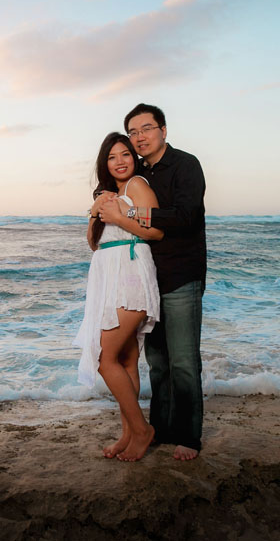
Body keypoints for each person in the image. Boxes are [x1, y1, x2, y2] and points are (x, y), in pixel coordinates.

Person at [98, 104, 206, 461]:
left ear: (163, 130)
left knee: (184, 362)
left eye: (147, 128)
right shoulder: (138, 174)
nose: (140, 136)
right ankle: (159, 429)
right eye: (134, 131)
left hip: (181, 275)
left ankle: (189, 437)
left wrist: (127, 212)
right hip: (148, 277)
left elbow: (185, 216)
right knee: (157, 362)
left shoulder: (185, 165)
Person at [73, 132, 165, 462]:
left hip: (130, 274)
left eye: (125, 154)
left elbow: (156, 231)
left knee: (104, 358)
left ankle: (142, 429)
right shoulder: (108, 194)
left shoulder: (138, 185)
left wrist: (117, 216)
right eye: (112, 157)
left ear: (133, 158)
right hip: (108, 276)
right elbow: (93, 243)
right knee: (126, 360)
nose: (120, 161)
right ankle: (128, 433)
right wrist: (97, 212)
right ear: (105, 163)